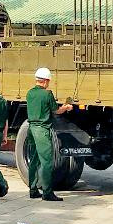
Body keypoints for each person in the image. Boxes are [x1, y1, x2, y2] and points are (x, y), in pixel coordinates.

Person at [26, 67, 73, 202]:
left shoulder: (29, 93)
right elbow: (56, 111)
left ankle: (33, 189)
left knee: (34, 160)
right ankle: (47, 192)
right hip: (42, 130)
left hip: (31, 129)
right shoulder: (47, 94)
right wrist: (66, 107)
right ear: (46, 81)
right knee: (47, 161)